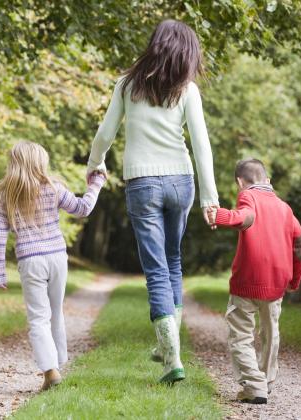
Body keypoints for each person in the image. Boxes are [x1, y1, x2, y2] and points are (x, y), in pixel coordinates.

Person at [87, 19, 219, 384]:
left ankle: (171, 357)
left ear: (154, 45)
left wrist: (94, 165)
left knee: (157, 269)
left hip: (142, 181)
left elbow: (104, 134)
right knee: (173, 260)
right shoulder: (187, 90)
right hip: (181, 180)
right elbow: (202, 146)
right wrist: (211, 198)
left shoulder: (127, 85)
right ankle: (167, 347)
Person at [0, 141, 106, 391]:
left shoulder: (5, 195)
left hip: (30, 260)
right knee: (56, 311)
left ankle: (50, 370)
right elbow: (82, 209)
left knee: (38, 318)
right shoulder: (54, 188)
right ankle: (57, 364)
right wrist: (95, 185)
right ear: (40, 163)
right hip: (57, 257)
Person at [209, 158, 301, 404]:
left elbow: (246, 217)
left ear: (239, 182)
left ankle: (254, 386)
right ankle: (266, 381)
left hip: (247, 281)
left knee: (241, 334)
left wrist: (218, 215)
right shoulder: (285, 208)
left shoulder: (248, 197)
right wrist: (295, 279)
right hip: (277, 283)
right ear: (268, 181)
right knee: (270, 333)